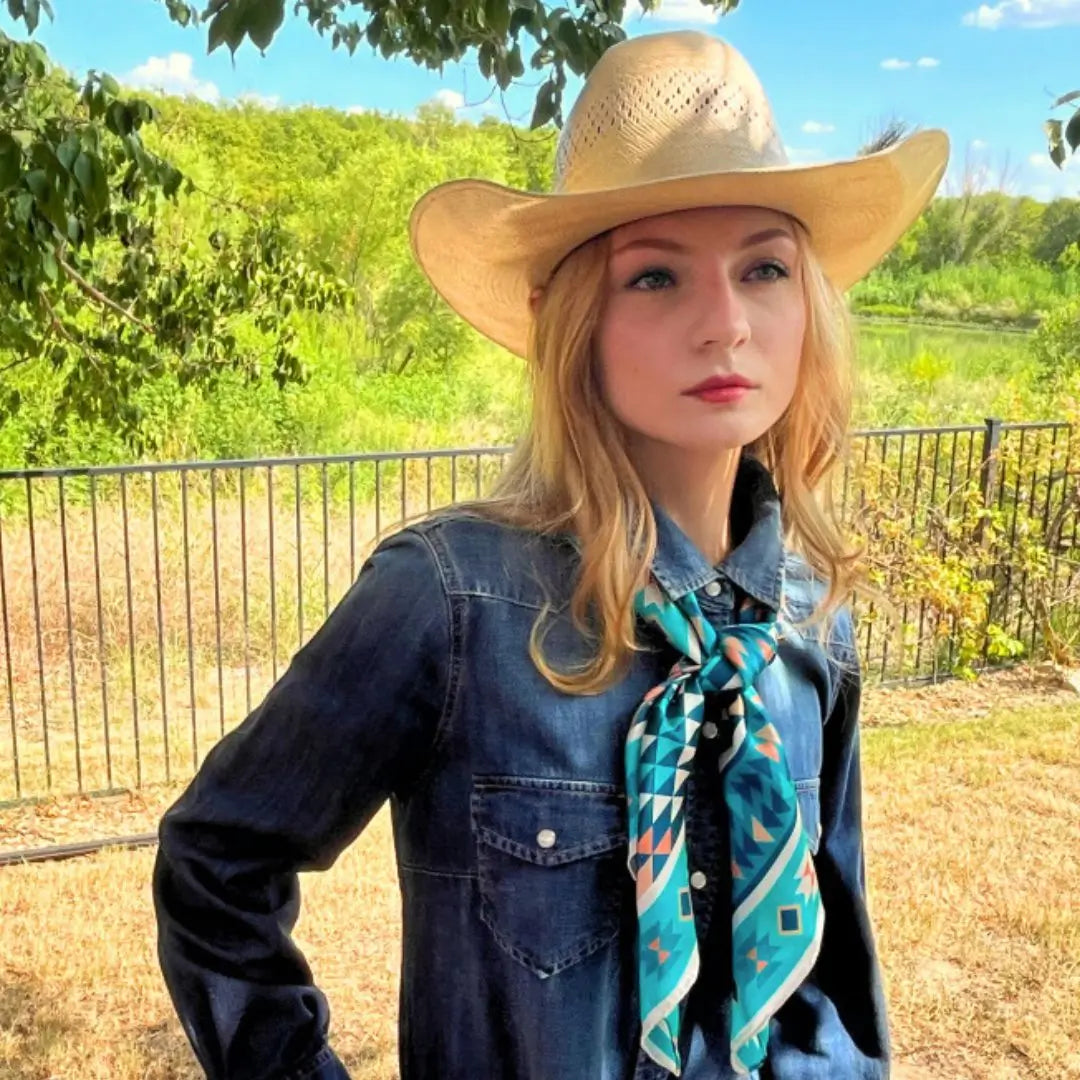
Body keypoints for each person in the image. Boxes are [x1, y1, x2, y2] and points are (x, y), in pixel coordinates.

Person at [152, 29, 948, 1080]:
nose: (726, 325)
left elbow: (832, 958)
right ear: (569, 318)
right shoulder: (449, 602)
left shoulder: (811, 622)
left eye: (764, 268)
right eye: (656, 278)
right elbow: (217, 861)